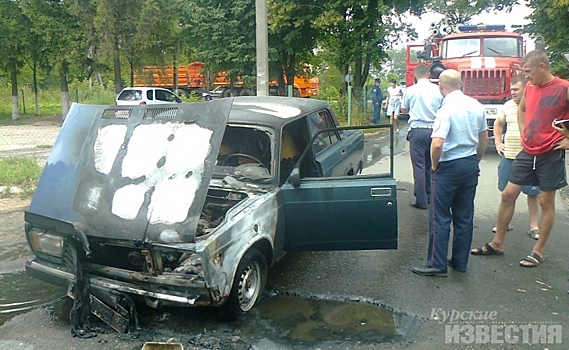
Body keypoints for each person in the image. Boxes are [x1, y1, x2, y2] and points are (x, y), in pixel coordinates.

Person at [471, 50, 569, 268]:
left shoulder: (564, 88)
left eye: (528, 71)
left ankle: (538, 250)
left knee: (545, 202)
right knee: (507, 195)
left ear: (542, 67)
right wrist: (525, 132)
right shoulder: (531, 88)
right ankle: (498, 243)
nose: (525, 76)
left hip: (551, 153)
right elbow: (522, 109)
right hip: (528, 151)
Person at [412, 69, 488, 277]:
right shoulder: (477, 106)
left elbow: (437, 144)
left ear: (441, 86)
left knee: (440, 216)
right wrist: (476, 160)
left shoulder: (446, 110)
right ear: (461, 84)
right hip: (470, 163)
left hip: (448, 166)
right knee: (464, 215)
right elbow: (484, 139)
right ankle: (460, 261)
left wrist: (435, 166)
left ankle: (437, 263)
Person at [492, 75, 541, 239]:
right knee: (507, 193)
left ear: (525, 89)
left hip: (529, 156)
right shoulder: (506, 106)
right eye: (511, 89)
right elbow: (498, 124)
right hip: (509, 156)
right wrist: (498, 143)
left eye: (516, 89)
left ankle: (534, 226)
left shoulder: (534, 105)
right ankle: (505, 224)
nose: (512, 92)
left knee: (532, 192)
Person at [401, 64, 443, 210]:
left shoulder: (410, 90)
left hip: (417, 130)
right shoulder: (438, 90)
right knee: (432, 165)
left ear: (415, 75)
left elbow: (404, 109)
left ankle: (421, 200)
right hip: (435, 131)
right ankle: (432, 196)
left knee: (419, 166)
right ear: (430, 75)